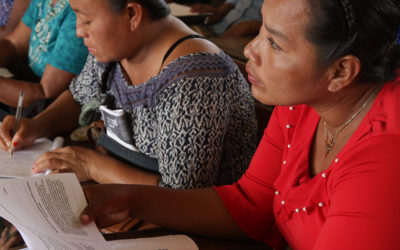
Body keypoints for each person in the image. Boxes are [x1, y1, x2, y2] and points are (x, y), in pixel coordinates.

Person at [77, 0, 400, 249]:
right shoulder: (303, 102)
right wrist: (127, 199)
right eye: (261, 31)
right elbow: (250, 203)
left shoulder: (386, 160)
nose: (249, 50)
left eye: (274, 44)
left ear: (341, 72)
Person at [0, 0, 257, 189]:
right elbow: (80, 97)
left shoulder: (196, 78)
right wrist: (35, 125)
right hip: (124, 193)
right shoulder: (117, 46)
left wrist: (92, 166)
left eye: (87, 20)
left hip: (179, 224)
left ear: (133, 14)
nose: (79, 31)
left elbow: (183, 195)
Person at [0, 0, 88, 121]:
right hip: (25, 86)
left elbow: (45, 94)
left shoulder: (78, 11)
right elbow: (15, 44)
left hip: (48, 109)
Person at [190, 0, 262, 37]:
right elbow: (227, 6)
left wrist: (248, 26)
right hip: (216, 29)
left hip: (240, 37)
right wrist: (217, 11)